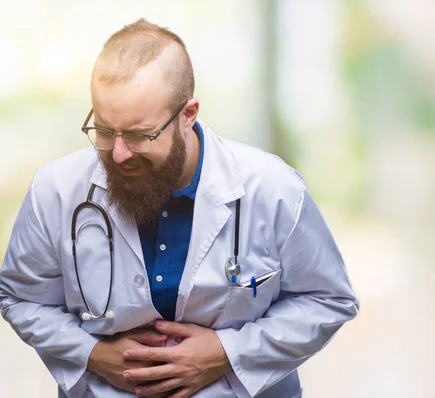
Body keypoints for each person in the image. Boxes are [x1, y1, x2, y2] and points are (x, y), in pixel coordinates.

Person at [0, 18, 358, 398]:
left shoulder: (273, 189)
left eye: (139, 135)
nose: (118, 153)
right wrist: (92, 354)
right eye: (104, 130)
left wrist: (228, 352)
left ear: (188, 115)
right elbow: (19, 298)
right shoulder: (55, 190)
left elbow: (329, 300)